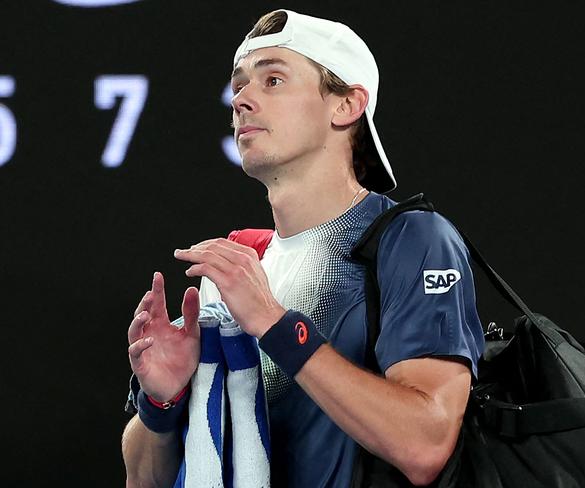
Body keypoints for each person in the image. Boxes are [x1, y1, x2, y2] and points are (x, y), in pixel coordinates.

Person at [122, 9, 485, 488]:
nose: (242, 100)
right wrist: (163, 401)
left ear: (347, 106)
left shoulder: (412, 239)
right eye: (240, 85)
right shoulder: (237, 263)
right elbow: (143, 480)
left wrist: (275, 324)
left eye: (272, 80)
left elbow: (426, 444)